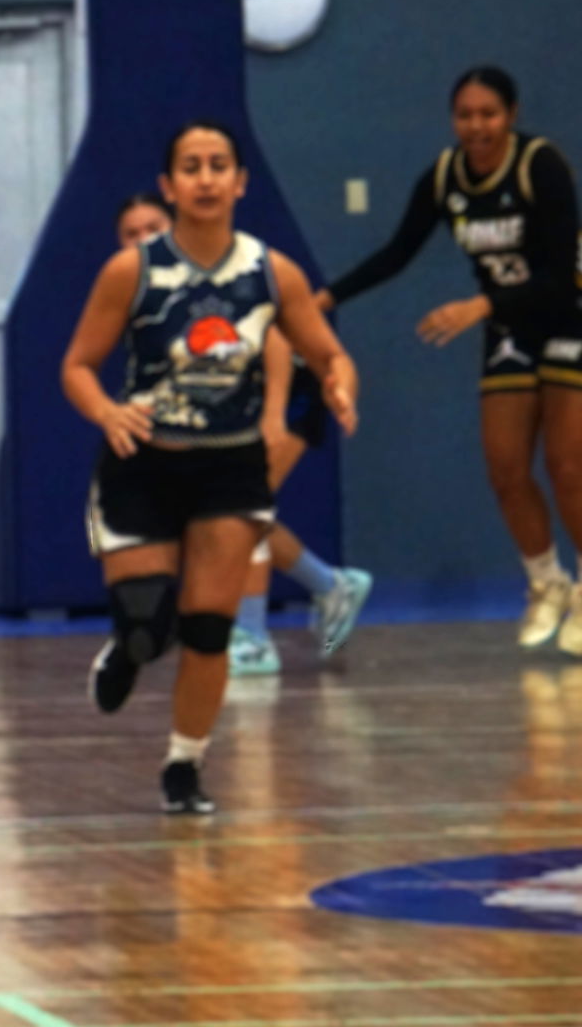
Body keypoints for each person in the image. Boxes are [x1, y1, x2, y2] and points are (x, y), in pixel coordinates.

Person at [64, 122, 359, 813]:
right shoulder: (131, 271)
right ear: (170, 187)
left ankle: (184, 766)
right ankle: (128, 652)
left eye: (218, 165)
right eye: (190, 167)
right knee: (147, 621)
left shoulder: (270, 272)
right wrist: (108, 412)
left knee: (207, 628)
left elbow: (328, 353)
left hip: (229, 469)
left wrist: (342, 384)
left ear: (239, 182)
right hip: (143, 462)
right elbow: (75, 366)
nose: (204, 178)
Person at [317, 66, 582, 651]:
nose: (476, 125)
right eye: (465, 115)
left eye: (488, 114)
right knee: (505, 465)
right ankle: (547, 583)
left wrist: (479, 305)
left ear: (510, 116)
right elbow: (396, 253)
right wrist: (324, 298)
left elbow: (564, 275)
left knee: (568, 467)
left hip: (568, 317)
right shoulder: (444, 178)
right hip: (508, 324)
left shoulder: (541, 165)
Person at [115, 194, 371, 674]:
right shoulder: (137, 288)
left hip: (289, 391)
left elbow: (273, 339)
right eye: (131, 233)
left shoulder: (213, 268)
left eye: (152, 227)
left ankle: (252, 636)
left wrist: (272, 416)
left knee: (238, 511)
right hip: (235, 405)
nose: (143, 239)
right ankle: (331, 585)